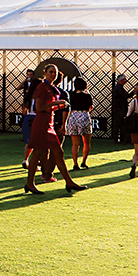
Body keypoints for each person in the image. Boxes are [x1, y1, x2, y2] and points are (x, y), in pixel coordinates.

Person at [24, 65, 86, 195]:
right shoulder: (42, 87)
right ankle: (32, 183)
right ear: (45, 73)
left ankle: (68, 182)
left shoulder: (51, 88)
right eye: (51, 72)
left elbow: (46, 108)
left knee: (55, 153)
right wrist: (55, 104)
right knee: (40, 153)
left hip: (48, 122)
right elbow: (38, 108)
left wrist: (56, 107)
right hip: (42, 123)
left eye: (55, 73)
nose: (53, 75)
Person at [66, 78, 93, 171]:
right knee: (86, 142)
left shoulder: (71, 95)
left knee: (75, 144)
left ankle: (75, 163)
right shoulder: (87, 96)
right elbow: (90, 107)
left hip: (73, 116)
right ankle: (84, 162)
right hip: (84, 116)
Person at [112, 74, 130, 143]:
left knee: (118, 124)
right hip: (119, 109)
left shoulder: (118, 88)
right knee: (120, 124)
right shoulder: (119, 88)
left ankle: (117, 139)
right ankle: (119, 139)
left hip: (118, 109)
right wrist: (134, 91)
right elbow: (126, 96)